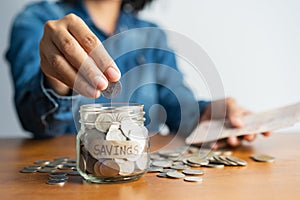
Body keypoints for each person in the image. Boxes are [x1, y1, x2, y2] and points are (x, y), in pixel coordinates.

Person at [6, 0, 270, 148]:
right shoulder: (36, 20)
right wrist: (56, 79)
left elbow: (178, 109)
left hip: (141, 177)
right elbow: (34, 120)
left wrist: (208, 113)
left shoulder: (152, 35)